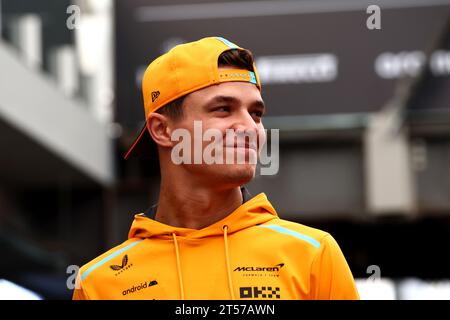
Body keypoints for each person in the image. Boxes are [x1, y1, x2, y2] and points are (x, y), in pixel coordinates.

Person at [72, 37, 359, 300]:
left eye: (256, 113)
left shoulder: (313, 254)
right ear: (162, 129)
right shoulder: (98, 283)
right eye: (223, 109)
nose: (250, 127)